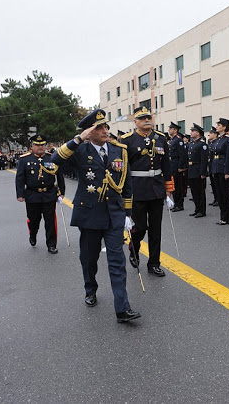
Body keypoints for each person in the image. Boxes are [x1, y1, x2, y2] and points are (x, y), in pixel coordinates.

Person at [51, 109, 140, 323]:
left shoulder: (120, 150)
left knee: (117, 260)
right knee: (89, 258)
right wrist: (77, 139)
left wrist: (128, 213)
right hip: (90, 214)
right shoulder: (79, 150)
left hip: (114, 214)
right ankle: (90, 289)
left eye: (105, 126)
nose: (104, 130)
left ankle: (122, 308)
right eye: (98, 127)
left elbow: (126, 184)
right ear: (88, 132)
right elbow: (54, 160)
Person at [121, 106, 173, 277]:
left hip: (156, 189)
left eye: (148, 117)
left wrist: (169, 189)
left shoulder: (161, 138)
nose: (147, 120)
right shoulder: (127, 140)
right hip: (137, 189)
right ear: (135, 122)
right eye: (142, 118)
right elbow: (124, 169)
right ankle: (134, 249)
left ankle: (154, 263)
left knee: (156, 229)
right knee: (140, 227)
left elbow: (166, 164)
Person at [15, 134, 66, 254]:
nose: (40, 147)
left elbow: (60, 176)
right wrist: (20, 194)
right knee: (34, 220)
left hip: (49, 194)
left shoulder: (52, 158)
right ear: (32, 146)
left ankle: (51, 245)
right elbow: (20, 178)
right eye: (37, 145)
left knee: (50, 221)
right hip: (32, 195)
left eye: (42, 145)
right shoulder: (24, 159)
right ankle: (33, 234)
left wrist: (62, 192)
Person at [210, 118, 229, 225]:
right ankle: (222, 215)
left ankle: (226, 217)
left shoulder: (227, 140)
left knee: (225, 194)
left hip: (223, 169)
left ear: (224, 127)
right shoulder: (218, 140)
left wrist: (227, 172)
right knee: (219, 194)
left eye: (219, 125)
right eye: (217, 124)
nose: (217, 126)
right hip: (216, 168)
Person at [187, 123, 208, 218]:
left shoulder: (202, 145)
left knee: (200, 192)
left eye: (193, 131)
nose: (191, 133)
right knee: (194, 192)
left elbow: (204, 160)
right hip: (191, 170)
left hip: (198, 169)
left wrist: (203, 173)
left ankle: (202, 210)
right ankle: (197, 209)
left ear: (198, 133)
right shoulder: (192, 144)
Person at [168, 122, 187, 212]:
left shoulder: (178, 140)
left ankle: (180, 204)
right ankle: (176, 203)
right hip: (172, 164)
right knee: (174, 186)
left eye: (170, 129)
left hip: (176, 165)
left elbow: (182, 155)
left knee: (178, 186)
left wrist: (180, 166)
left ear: (175, 130)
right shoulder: (173, 140)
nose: (169, 130)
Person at [207, 127, 219, 206]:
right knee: (213, 184)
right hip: (210, 165)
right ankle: (215, 198)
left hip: (215, 165)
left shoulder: (216, 143)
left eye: (211, 133)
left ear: (215, 134)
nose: (209, 135)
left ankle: (218, 199)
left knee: (217, 184)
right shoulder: (210, 143)